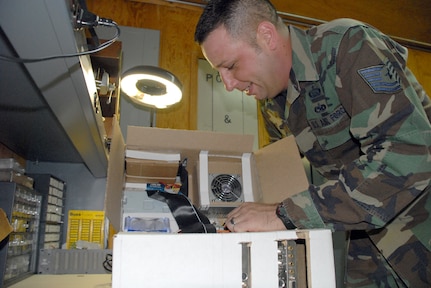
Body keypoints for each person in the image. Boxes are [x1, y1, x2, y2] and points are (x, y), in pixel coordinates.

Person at [194, 0, 431, 287]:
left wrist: (283, 215)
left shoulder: (347, 45)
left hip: (421, 217)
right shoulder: (271, 103)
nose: (227, 83)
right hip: (366, 233)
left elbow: (410, 154)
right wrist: (243, 225)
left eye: (230, 66)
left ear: (267, 36)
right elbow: (280, 176)